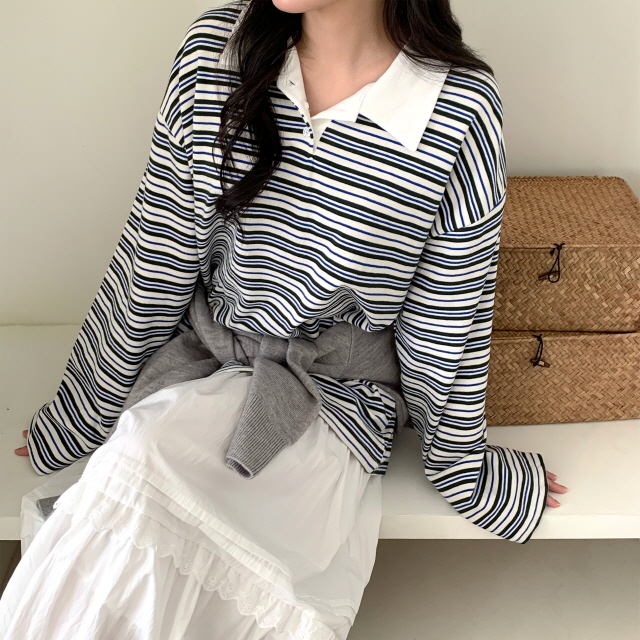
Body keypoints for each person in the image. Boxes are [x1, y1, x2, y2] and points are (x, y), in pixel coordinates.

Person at [2, 0, 568, 637]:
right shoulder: (219, 51)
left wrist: (463, 467)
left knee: (185, 521)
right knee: (136, 468)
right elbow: (154, 257)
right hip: (205, 366)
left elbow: (448, 318)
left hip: (327, 408)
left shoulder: (457, 108)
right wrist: (82, 410)